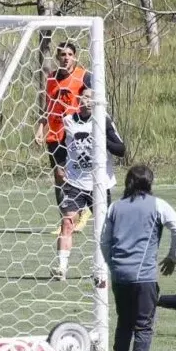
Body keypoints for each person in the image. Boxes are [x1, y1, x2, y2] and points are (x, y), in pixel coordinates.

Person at [101, 165, 176, 351]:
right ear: (149, 183)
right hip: (143, 276)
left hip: (120, 276)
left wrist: (113, 266)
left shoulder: (115, 207)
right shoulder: (157, 204)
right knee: (144, 326)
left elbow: (104, 241)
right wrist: (173, 256)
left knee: (124, 324)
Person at [50, 88, 126, 281]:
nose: (88, 101)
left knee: (103, 228)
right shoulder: (69, 121)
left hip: (99, 183)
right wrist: (59, 165)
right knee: (67, 221)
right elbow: (59, 147)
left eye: (92, 98)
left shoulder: (104, 121)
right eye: (85, 97)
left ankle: (101, 267)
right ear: (79, 100)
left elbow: (121, 149)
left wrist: (102, 137)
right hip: (75, 181)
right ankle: (61, 268)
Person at [34, 41, 94, 233]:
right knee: (59, 176)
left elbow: (91, 101)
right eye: (62, 54)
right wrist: (40, 128)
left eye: (69, 54)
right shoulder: (51, 79)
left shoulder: (84, 76)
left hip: (75, 134)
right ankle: (66, 221)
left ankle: (79, 213)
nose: (66, 58)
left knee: (74, 174)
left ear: (75, 57)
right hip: (55, 133)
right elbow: (47, 107)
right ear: (57, 57)